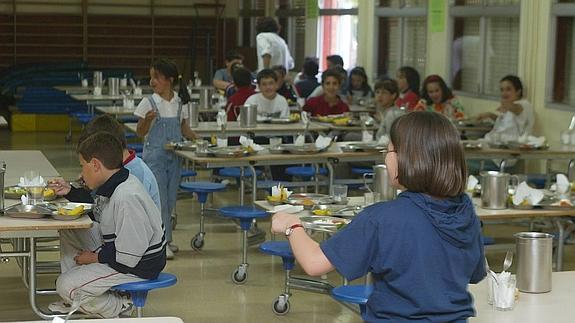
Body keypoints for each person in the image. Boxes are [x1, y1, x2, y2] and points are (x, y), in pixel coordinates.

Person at [271, 111, 486, 322]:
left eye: (390, 150)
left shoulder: (382, 219)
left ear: (409, 159)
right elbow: (476, 275)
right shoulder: (465, 212)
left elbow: (314, 263)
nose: (385, 156)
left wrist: (292, 226)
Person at [54, 132, 166, 318]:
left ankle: (120, 305)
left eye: (83, 166)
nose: (81, 174)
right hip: (121, 251)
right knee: (72, 227)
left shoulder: (126, 196)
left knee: (65, 286)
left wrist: (94, 258)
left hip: (138, 266)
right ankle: (82, 292)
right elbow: (96, 211)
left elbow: (128, 257)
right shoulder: (115, 182)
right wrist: (71, 192)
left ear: (96, 165)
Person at [134, 58, 197, 259]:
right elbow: (139, 132)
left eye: (157, 77)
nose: (153, 81)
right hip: (155, 158)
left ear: (169, 80)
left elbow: (184, 129)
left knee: (170, 200)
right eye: (151, 77)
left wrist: (201, 141)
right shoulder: (148, 102)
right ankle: (161, 243)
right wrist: (147, 120)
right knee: (158, 200)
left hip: (175, 157)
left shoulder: (180, 102)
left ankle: (167, 239)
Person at [478, 75, 534, 142]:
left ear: (518, 91)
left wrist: (507, 106)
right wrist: (489, 115)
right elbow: (505, 123)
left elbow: (516, 109)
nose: (504, 93)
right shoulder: (510, 104)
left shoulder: (524, 104)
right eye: (502, 90)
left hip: (510, 146)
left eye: (508, 89)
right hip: (494, 140)